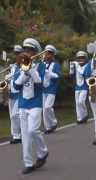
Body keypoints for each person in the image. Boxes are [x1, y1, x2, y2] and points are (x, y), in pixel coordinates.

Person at [13, 38, 49, 174]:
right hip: (23, 103)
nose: (27, 53)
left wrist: (30, 69)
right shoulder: (20, 66)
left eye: (30, 50)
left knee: (33, 130)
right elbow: (16, 85)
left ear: (35, 52)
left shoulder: (41, 66)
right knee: (25, 136)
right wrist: (23, 72)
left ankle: (43, 151)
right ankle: (28, 163)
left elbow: (39, 82)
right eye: (26, 50)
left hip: (35, 103)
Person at [42, 45, 61, 134]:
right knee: (45, 109)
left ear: (53, 55)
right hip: (43, 89)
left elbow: (57, 76)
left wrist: (48, 72)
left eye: (49, 53)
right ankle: (48, 127)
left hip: (51, 89)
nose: (47, 55)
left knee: (47, 107)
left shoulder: (55, 65)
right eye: (46, 53)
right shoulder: (42, 64)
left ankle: (53, 122)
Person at [7, 45, 23, 144]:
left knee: (15, 115)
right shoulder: (12, 66)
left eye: (18, 53)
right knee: (12, 116)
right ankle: (15, 135)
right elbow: (10, 79)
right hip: (11, 93)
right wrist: (8, 77)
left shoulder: (24, 66)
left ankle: (19, 135)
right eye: (15, 54)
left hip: (19, 94)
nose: (17, 55)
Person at [69, 51, 89, 124]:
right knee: (77, 103)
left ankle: (85, 114)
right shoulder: (76, 65)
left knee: (81, 101)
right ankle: (79, 118)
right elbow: (71, 75)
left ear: (85, 58)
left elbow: (84, 73)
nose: (81, 59)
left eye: (82, 58)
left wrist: (77, 66)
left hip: (84, 87)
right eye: (79, 58)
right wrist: (71, 68)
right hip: (77, 87)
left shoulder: (87, 66)